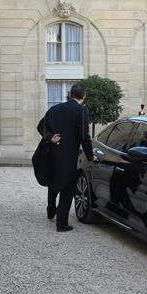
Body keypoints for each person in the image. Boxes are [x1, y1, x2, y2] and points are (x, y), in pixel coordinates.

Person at [37, 85, 96, 232]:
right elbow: (84, 136)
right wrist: (90, 155)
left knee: (54, 181)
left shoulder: (55, 109)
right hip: (69, 155)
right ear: (84, 96)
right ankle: (61, 224)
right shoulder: (82, 110)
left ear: (70, 95)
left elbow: (40, 126)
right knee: (68, 188)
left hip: (52, 153)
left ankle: (51, 211)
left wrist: (51, 137)